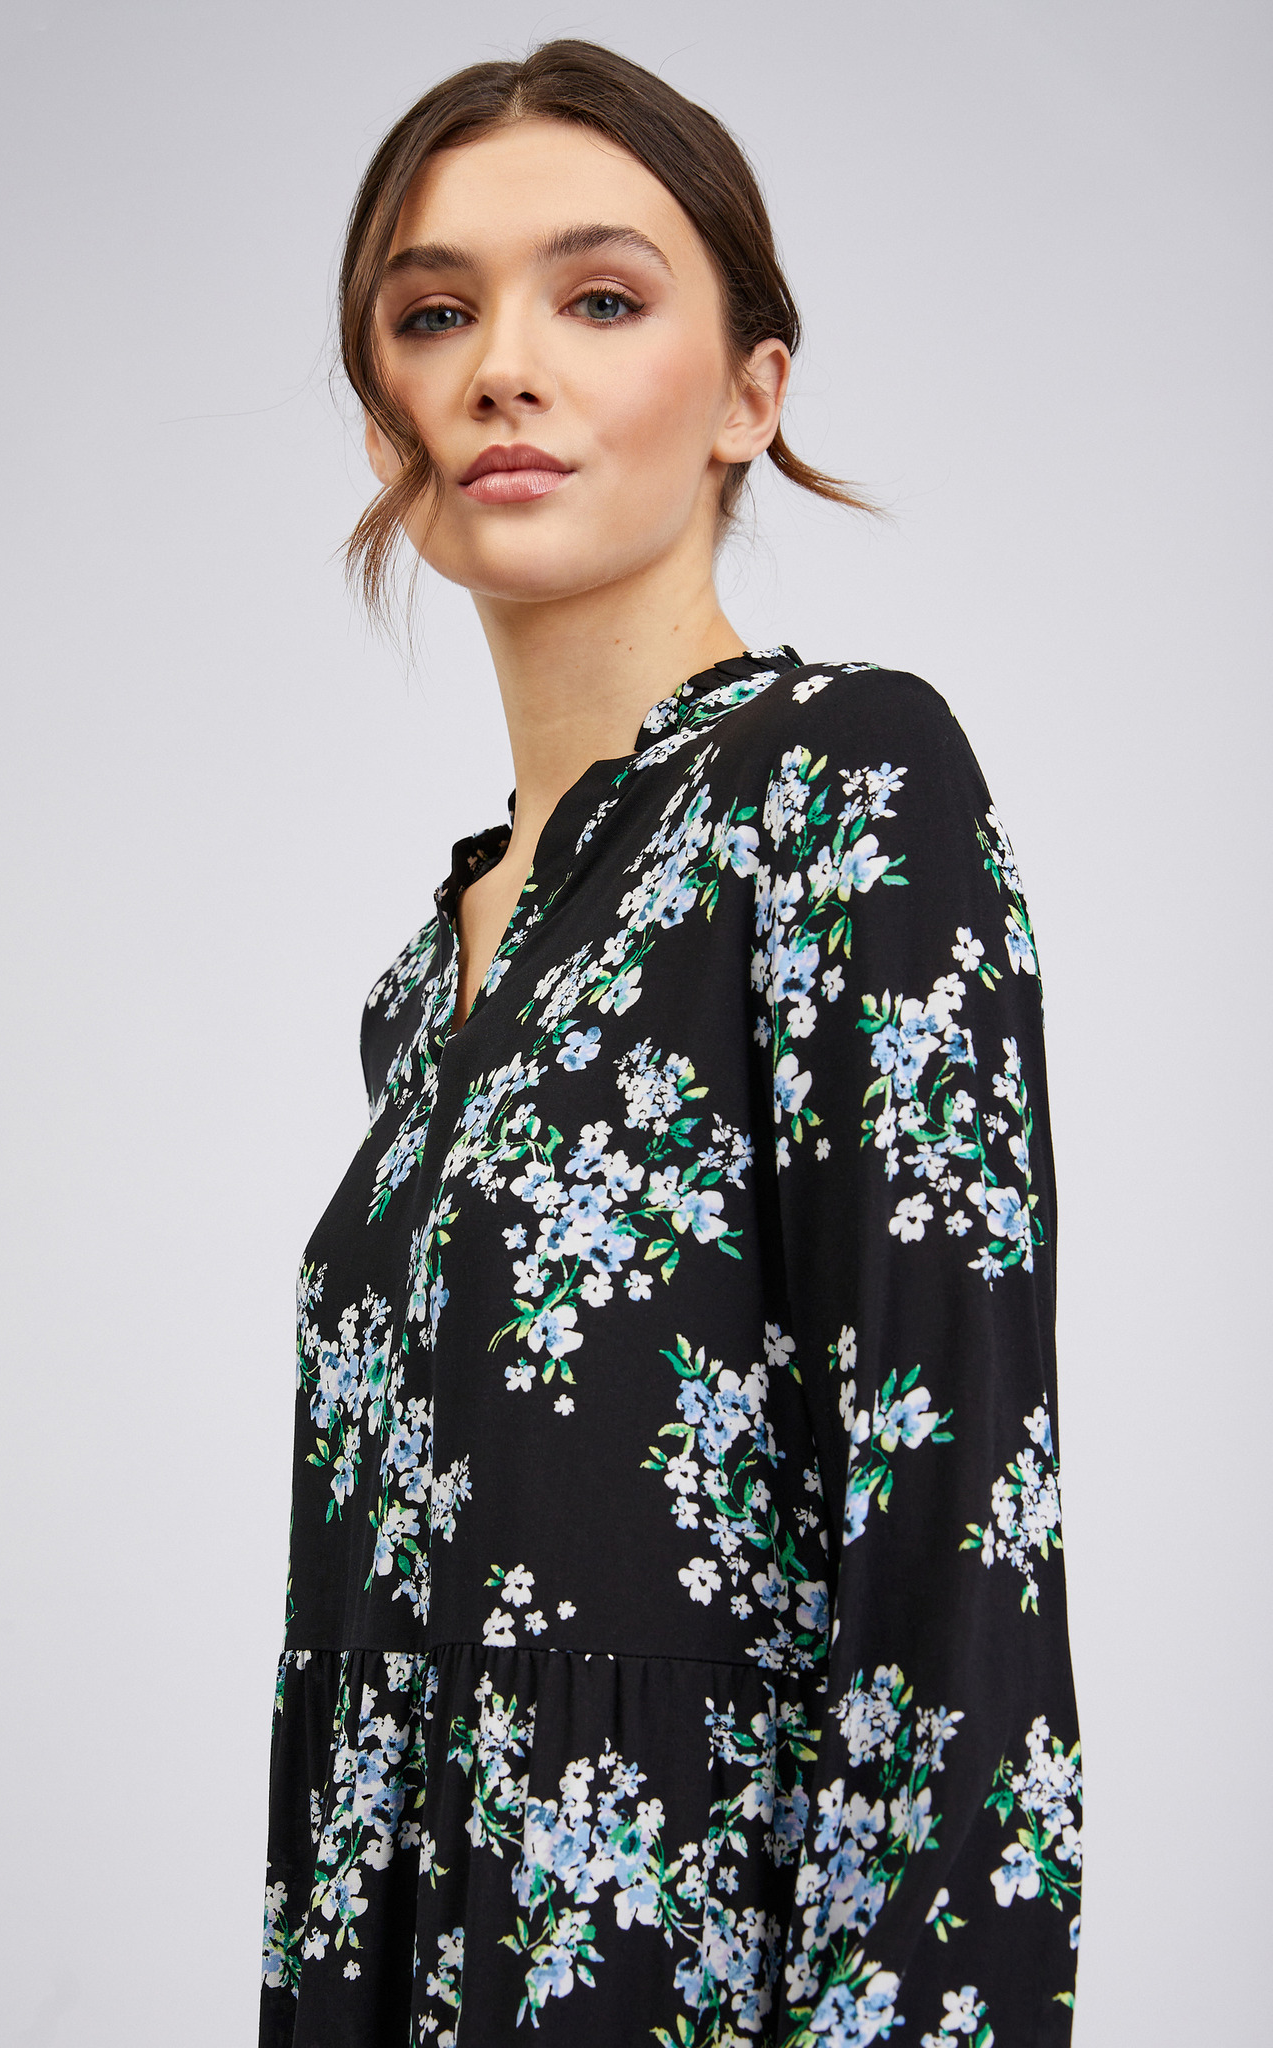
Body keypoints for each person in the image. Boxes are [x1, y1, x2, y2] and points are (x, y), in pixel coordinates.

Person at [260, 39, 1080, 2048]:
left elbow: (958, 1548)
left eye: (601, 299)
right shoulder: (430, 981)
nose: (502, 367)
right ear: (382, 422)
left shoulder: (842, 786)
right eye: (434, 314)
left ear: (748, 395)